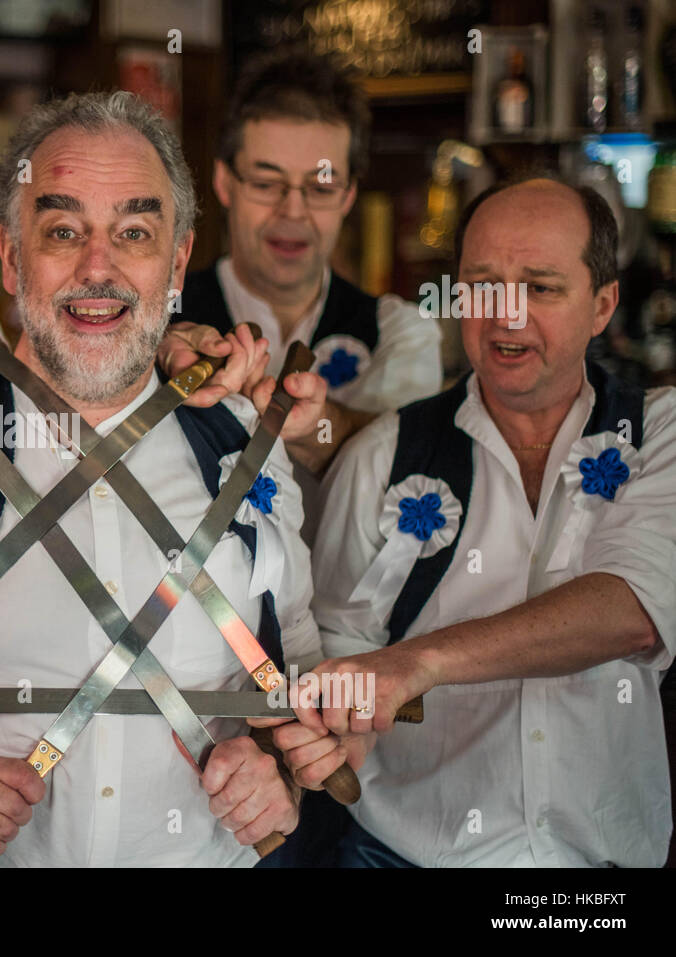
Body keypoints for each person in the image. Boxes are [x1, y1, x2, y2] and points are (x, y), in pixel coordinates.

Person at [0, 91, 325, 867]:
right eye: (63, 230)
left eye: (134, 232)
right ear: (11, 255)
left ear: (177, 262)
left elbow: (294, 667)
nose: (98, 268)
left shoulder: (247, 447)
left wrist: (281, 768)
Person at [275, 176, 674, 867]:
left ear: (603, 303)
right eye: (482, 284)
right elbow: (340, 663)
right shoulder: (383, 455)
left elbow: (634, 606)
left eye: (542, 287)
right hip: (403, 857)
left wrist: (414, 665)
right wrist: (340, 731)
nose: (506, 316)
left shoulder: (659, 434)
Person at [177, 49, 441, 499]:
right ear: (224, 183)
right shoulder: (166, 322)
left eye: (320, 188)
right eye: (265, 183)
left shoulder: (400, 334)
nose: (293, 211)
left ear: (348, 196)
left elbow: (408, 470)